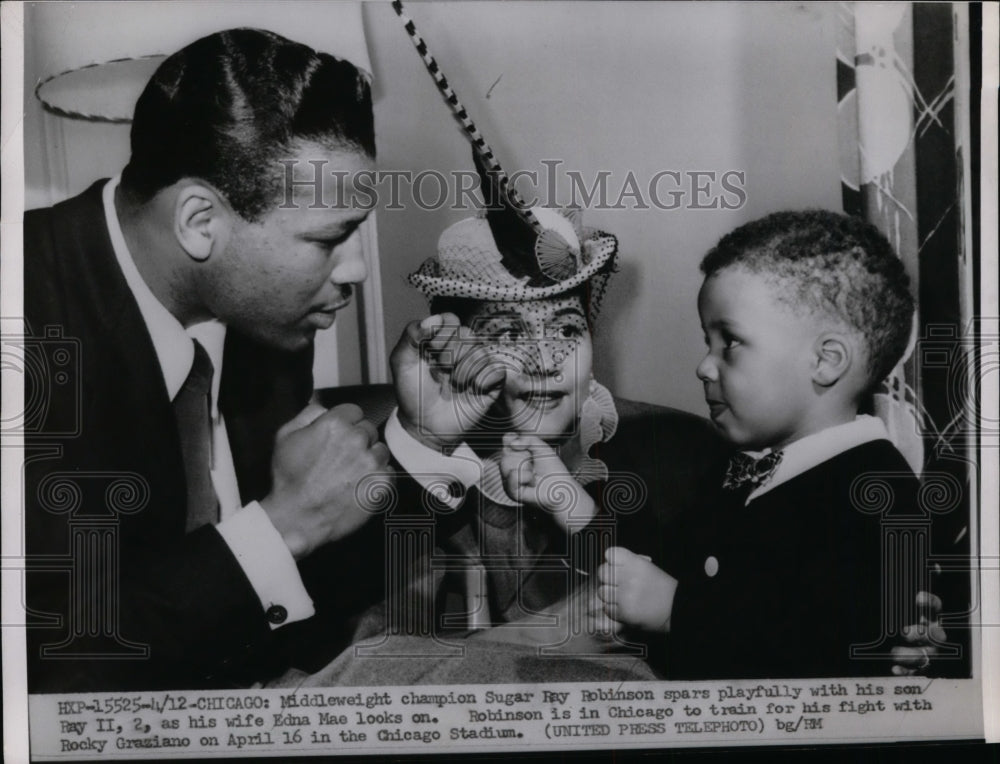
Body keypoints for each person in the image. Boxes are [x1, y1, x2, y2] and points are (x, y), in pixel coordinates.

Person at [23, 28, 391, 692]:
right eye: (329, 237)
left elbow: (310, 583)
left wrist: (422, 437)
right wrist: (283, 524)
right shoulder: (25, 321)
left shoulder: (263, 317)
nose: (358, 268)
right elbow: (49, 667)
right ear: (198, 221)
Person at [595, 209, 923, 678]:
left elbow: (832, 654)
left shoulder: (878, 496)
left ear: (826, 361)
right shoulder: (744, 469)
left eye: (729, 342)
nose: (704, 367)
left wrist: (676, 612)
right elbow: (677, 566)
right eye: (707, 342)